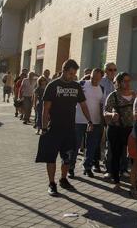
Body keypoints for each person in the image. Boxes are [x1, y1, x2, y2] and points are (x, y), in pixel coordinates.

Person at [35, 59, 92, 196]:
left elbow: (83, 105)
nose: (73, 76)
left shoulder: (76, 86)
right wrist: (43, 128)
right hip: (54, 128)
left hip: (69, 129)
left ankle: (63, 179)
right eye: (71, 73)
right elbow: (46, 109)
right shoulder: (53, 85)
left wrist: (90, 120)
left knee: (67, 158)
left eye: (74, 74)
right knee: (51, 158)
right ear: (64, 70)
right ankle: (51, 183)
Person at [70, 68, 105, 178]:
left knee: (92, 146)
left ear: (101, 78)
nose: (94, 79)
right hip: (79, 120)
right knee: (75, 144)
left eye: (97, 78)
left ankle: (87, 167)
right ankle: (70, 167)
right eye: (93, 76)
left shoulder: (102, 89)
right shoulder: (82, 84)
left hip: (95, 121)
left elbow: (102, 105)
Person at [104, 72, 135, 190]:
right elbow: (105, 112)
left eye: (129, 81)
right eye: (124, 81)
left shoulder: (134, 95)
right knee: (116, 154)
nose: (127, 83)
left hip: (131, 129)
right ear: (119, 82)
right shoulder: (113, 95)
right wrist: (112, 114)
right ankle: (116, 181)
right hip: (116, 129)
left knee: (133, 155)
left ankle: (135, 181)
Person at [100, 62, 118, 177]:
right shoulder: (101, 82)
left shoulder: (117, 82)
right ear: (105, 70)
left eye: (114, 69)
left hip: (114, 117)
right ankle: (98, 163)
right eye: (110, 70)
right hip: (103, 115)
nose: (113, 72)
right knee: (101, 141)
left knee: (109, 142)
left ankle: (109, 166)